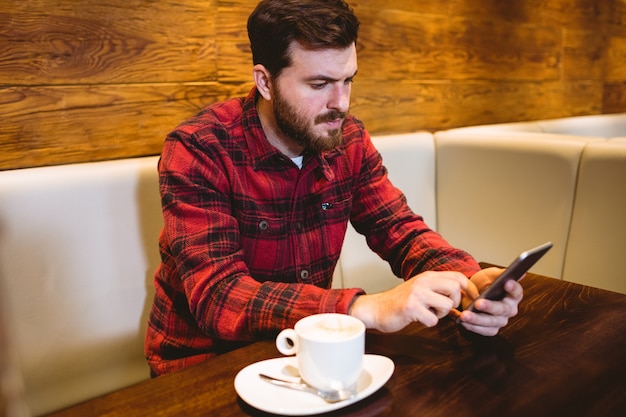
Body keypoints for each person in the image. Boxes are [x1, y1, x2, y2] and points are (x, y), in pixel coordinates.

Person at [144, 0, 523, 376]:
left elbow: (399, 228)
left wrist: (470, 282)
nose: (340, 103)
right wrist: (365, 308)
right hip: (204, 367)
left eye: (347, 81)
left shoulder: (348, 138)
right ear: (265, 81)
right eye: (320, 84)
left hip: (309, 353)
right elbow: (218, 296)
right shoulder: (200, 148)